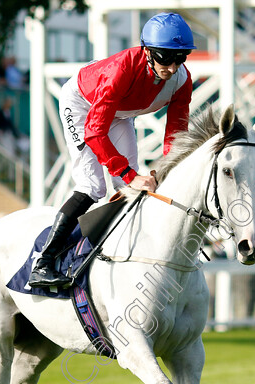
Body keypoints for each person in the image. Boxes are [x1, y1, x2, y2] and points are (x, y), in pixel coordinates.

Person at [28, 12, 195, 287]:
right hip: (82, 105)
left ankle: (115, 255)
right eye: (165, 57)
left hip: (119, 113)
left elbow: (176, 133)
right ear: (148, 51)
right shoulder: (123, 69)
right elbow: (95, 131)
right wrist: (131, 175)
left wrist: (170, 170)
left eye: (181, 57)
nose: (173, 67)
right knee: (93, 186)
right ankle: (42, 263)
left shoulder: (182, 81)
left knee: (128, 187)